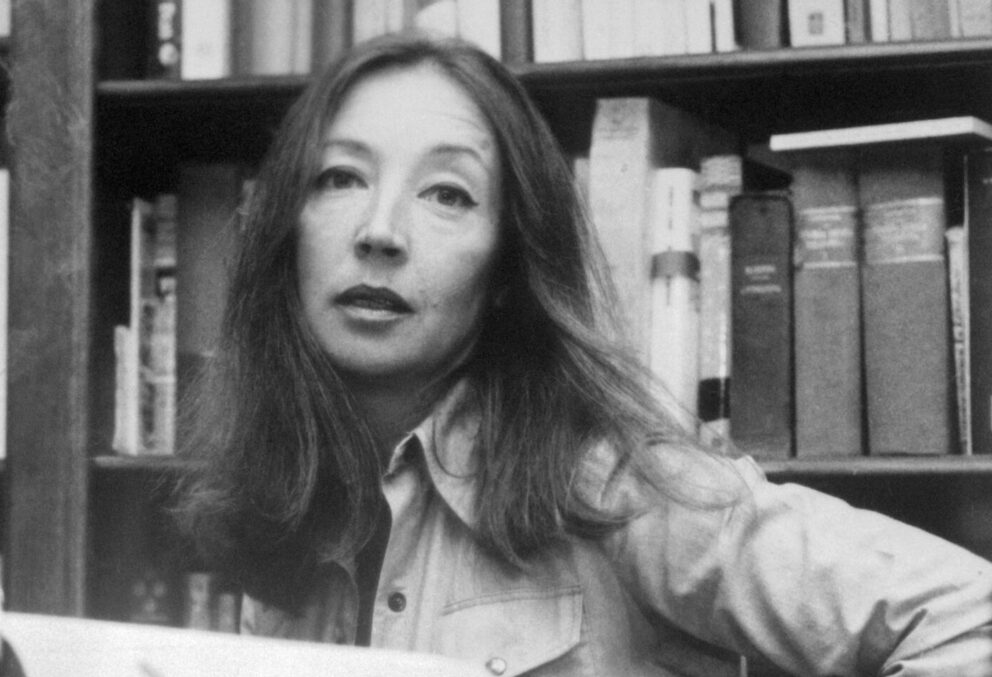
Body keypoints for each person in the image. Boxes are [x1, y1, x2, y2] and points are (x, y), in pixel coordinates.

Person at [174, 34, 992, 676]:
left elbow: (971, 620)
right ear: (286, 228)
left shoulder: (613, 484)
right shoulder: (287, 505)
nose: (379, 230)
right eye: (339, 178)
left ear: (507, 269)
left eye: (447, 193)